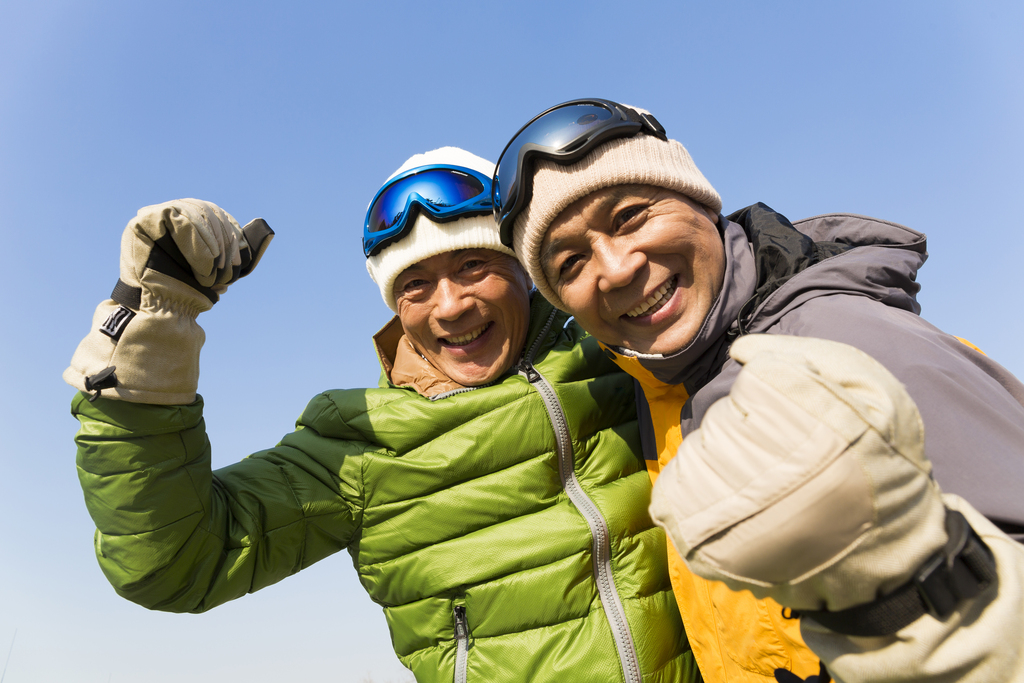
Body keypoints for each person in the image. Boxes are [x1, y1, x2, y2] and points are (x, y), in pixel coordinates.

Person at [63, 147, 700, 683]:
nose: (449, 306)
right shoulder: (356, 446)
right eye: (414, 285)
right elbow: (172, 564)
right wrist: (152, 336)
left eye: (473, 264)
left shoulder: (626, 358)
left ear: (524, 271)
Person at [493, 98, 1024, 683]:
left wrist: (894, 613)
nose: (616, 269)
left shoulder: (838, 343)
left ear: (699, 199)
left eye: (631, 217)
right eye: (570, 264)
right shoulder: (665, 382)